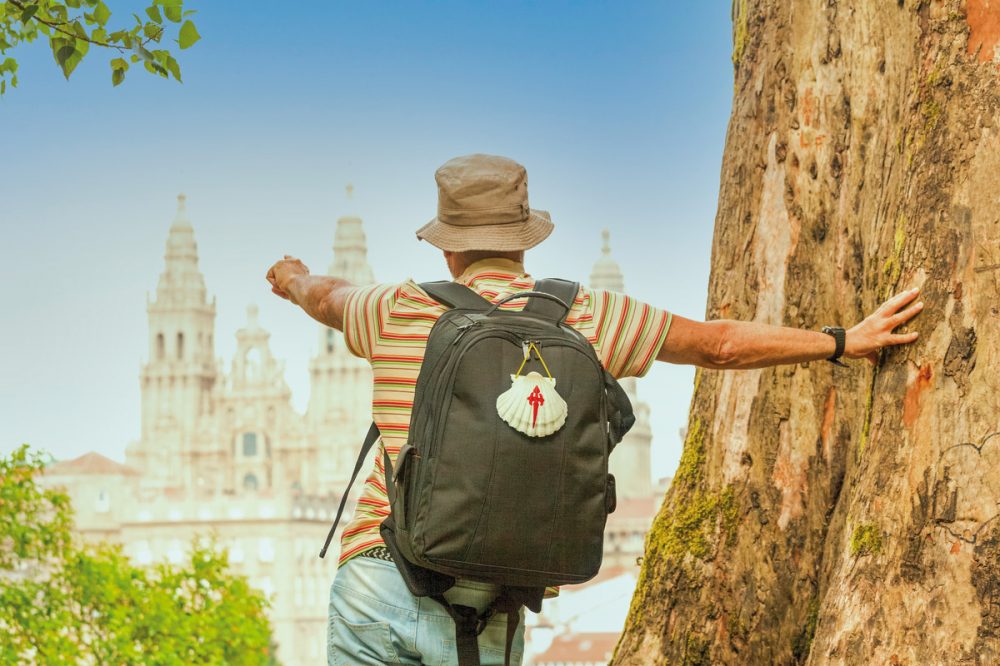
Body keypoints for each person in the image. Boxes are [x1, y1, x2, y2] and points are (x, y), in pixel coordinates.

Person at [266, 153, 923, 665]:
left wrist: (291, 278)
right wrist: (843, 340)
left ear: (446, 246)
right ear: (526, 240)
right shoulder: (584, 313)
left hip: (379, 575)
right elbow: (720, 345)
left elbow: (328, 295)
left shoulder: (397, 308)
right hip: (490, 594)